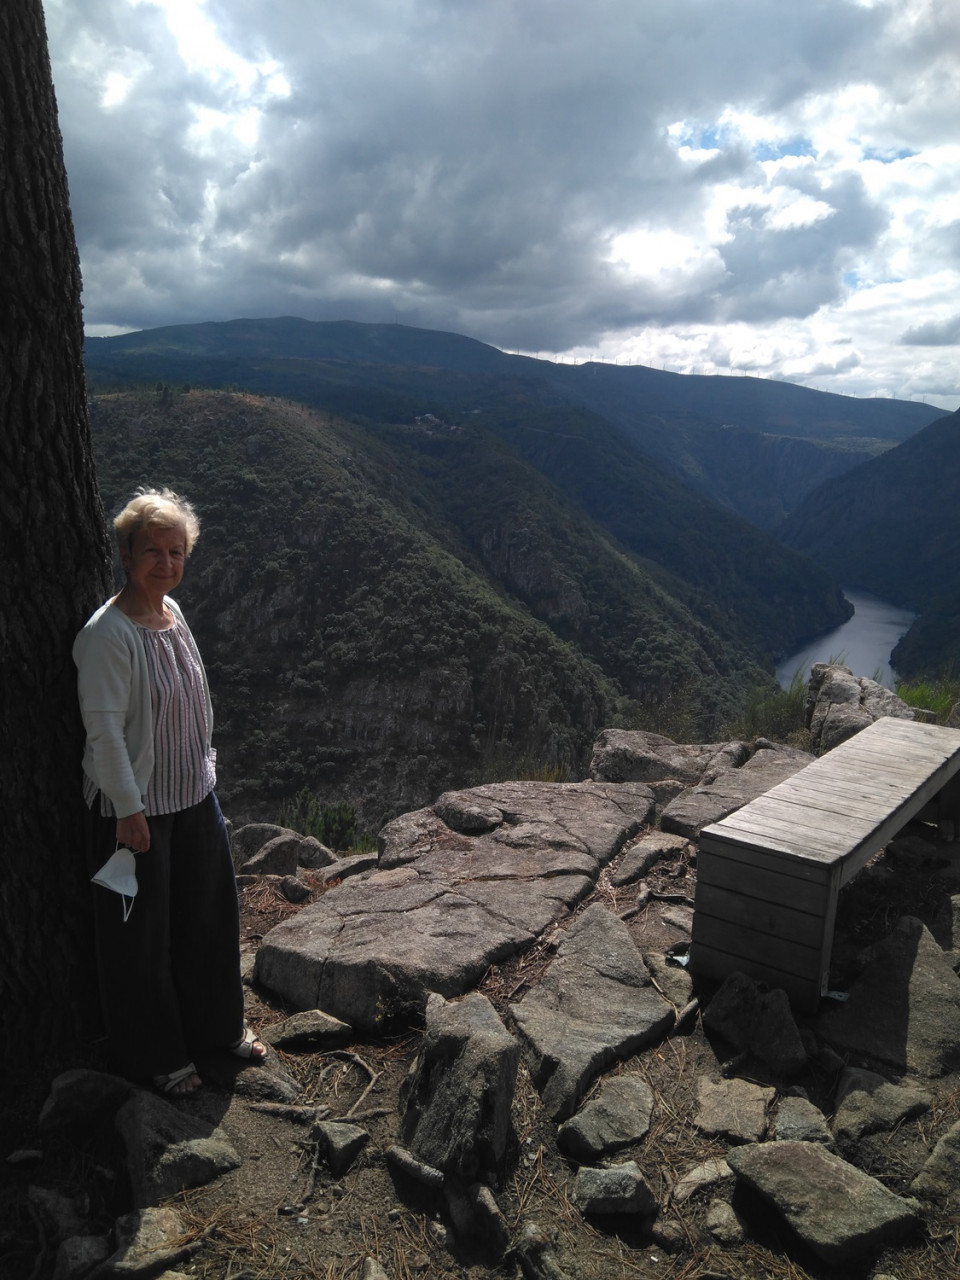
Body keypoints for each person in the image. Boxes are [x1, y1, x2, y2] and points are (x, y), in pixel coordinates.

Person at [74, 487, 265, 1094]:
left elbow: (191, 701)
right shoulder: (106, 635)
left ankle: (217, 1030)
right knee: (139, 940)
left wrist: (205, 766)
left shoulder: (171, 614)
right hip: (138, 812)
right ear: (127, 552)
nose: (165, 563)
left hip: (193, 796)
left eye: (176, 552)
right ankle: (155, 1056)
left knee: (208, 919)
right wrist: (128, 811)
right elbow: (103, 731)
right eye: (152, 550)